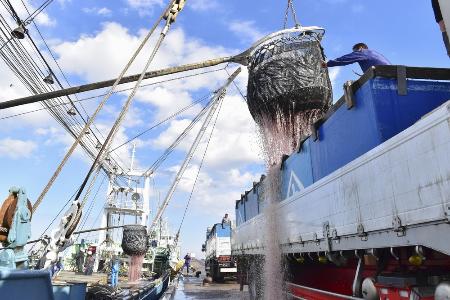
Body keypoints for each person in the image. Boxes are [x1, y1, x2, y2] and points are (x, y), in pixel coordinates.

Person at [324, 43, 390, 73]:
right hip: (396, 75)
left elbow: (346, 59)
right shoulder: (374, 53)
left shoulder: (363, 52)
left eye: (355, 51)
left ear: (361, 47)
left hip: (382, 75)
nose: (355, 53)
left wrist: (328, 64)